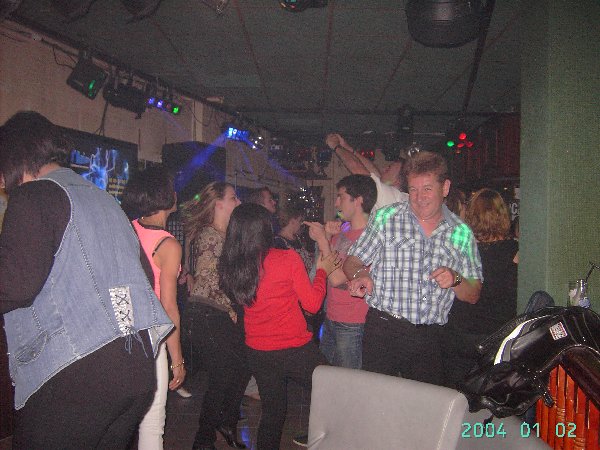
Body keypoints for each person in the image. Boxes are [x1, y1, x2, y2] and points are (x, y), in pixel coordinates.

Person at [0, 111, 173, 448]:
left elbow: (15, 283)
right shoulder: (105, 201)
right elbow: (140, 271)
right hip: (136, 368)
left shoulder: (33, 195)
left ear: (15, 157)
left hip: (76, 373)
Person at [344, 150, 483, 386]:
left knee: (425, 405)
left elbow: (474, 293)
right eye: (413, 190)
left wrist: (456, 278)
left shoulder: (461, 233)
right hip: (383, 330)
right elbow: (352, 261)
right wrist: (361, 275)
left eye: (427, 189)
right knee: (376, 400)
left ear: (445, 188)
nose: (419, 198)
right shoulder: (386, 218)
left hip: (430, 338)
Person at [219, 203, 341, 450]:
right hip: (294, 349)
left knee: (273, 413)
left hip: (258, 351)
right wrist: (321, 272)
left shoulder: (231, 265)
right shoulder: (285, 258)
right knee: (333, 392)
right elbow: (312, 304)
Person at [121, 165, 186, 449]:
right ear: (164, 196)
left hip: (122, 333)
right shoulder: (168, 245)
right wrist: (177, 359)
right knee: (152, 422)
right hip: (151, 338)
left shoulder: (126, 229)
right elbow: (168, 307)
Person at [181, 182, 249, 450]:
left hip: (216, 313)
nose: (238, 202)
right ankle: (204, 440)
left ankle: (226, 421)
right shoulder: (210, 235)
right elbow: (208, 280)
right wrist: (232, 308)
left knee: (240, 367)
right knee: (222, 376)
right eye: (233, 198)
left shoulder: (224, 235)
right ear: (218, 204)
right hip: (207, 312)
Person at [441, 188, 519, 388]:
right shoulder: (515, 252)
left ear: (472, 215)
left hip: (460, 334)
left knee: (456, 396)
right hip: (497, 337)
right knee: (490, 397)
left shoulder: (460, 249)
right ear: (503, 215)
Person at [313, 174, 377, 369]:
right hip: (331, 316)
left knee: (348, 383)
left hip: (352, 323)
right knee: (326, 377)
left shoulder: (371, 238)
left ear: (358, 200)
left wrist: (322, 239)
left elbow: (336, 279)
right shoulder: (342, 231)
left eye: (341, 197)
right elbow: (322, 268)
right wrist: (327, 236)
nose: (336, 203)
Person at [325, 133, 408, 210]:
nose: (384, 169)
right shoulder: (398, 197)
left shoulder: (391, 197)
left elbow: (357, 168)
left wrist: (335, 146)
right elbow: (373, 171)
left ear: (397, 181)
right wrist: (346, 147)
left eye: (388, 169)